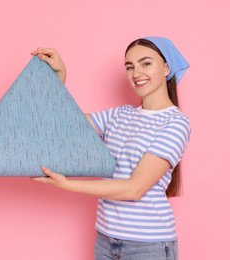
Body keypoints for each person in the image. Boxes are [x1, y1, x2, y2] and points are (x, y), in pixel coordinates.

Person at [31, 36, 190, 260]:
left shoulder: (175, 123)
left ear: (166, 68)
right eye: (129, 67)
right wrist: (58, 78)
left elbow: (134, 189)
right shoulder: (118, 115)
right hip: (106, 240)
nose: (136, 74)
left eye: (146, 63)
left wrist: (67, 185)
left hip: (148, 247)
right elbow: (62, 124)